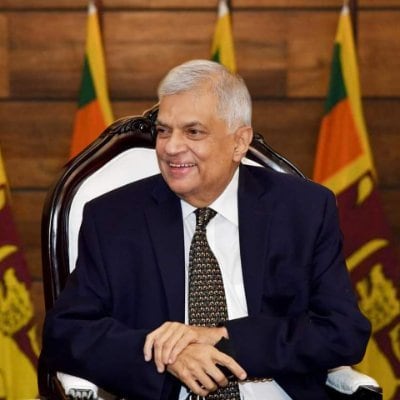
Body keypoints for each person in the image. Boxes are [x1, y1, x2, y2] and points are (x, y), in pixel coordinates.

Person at [41, 59, 371, 400]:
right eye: (164, 131)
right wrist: (168, 354)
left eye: (193, 132)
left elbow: (344, 331)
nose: (170, 147)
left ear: (239, 143)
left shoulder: (302, 209)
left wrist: (223, 337)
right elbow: (65, 332)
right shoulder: (114, 218)